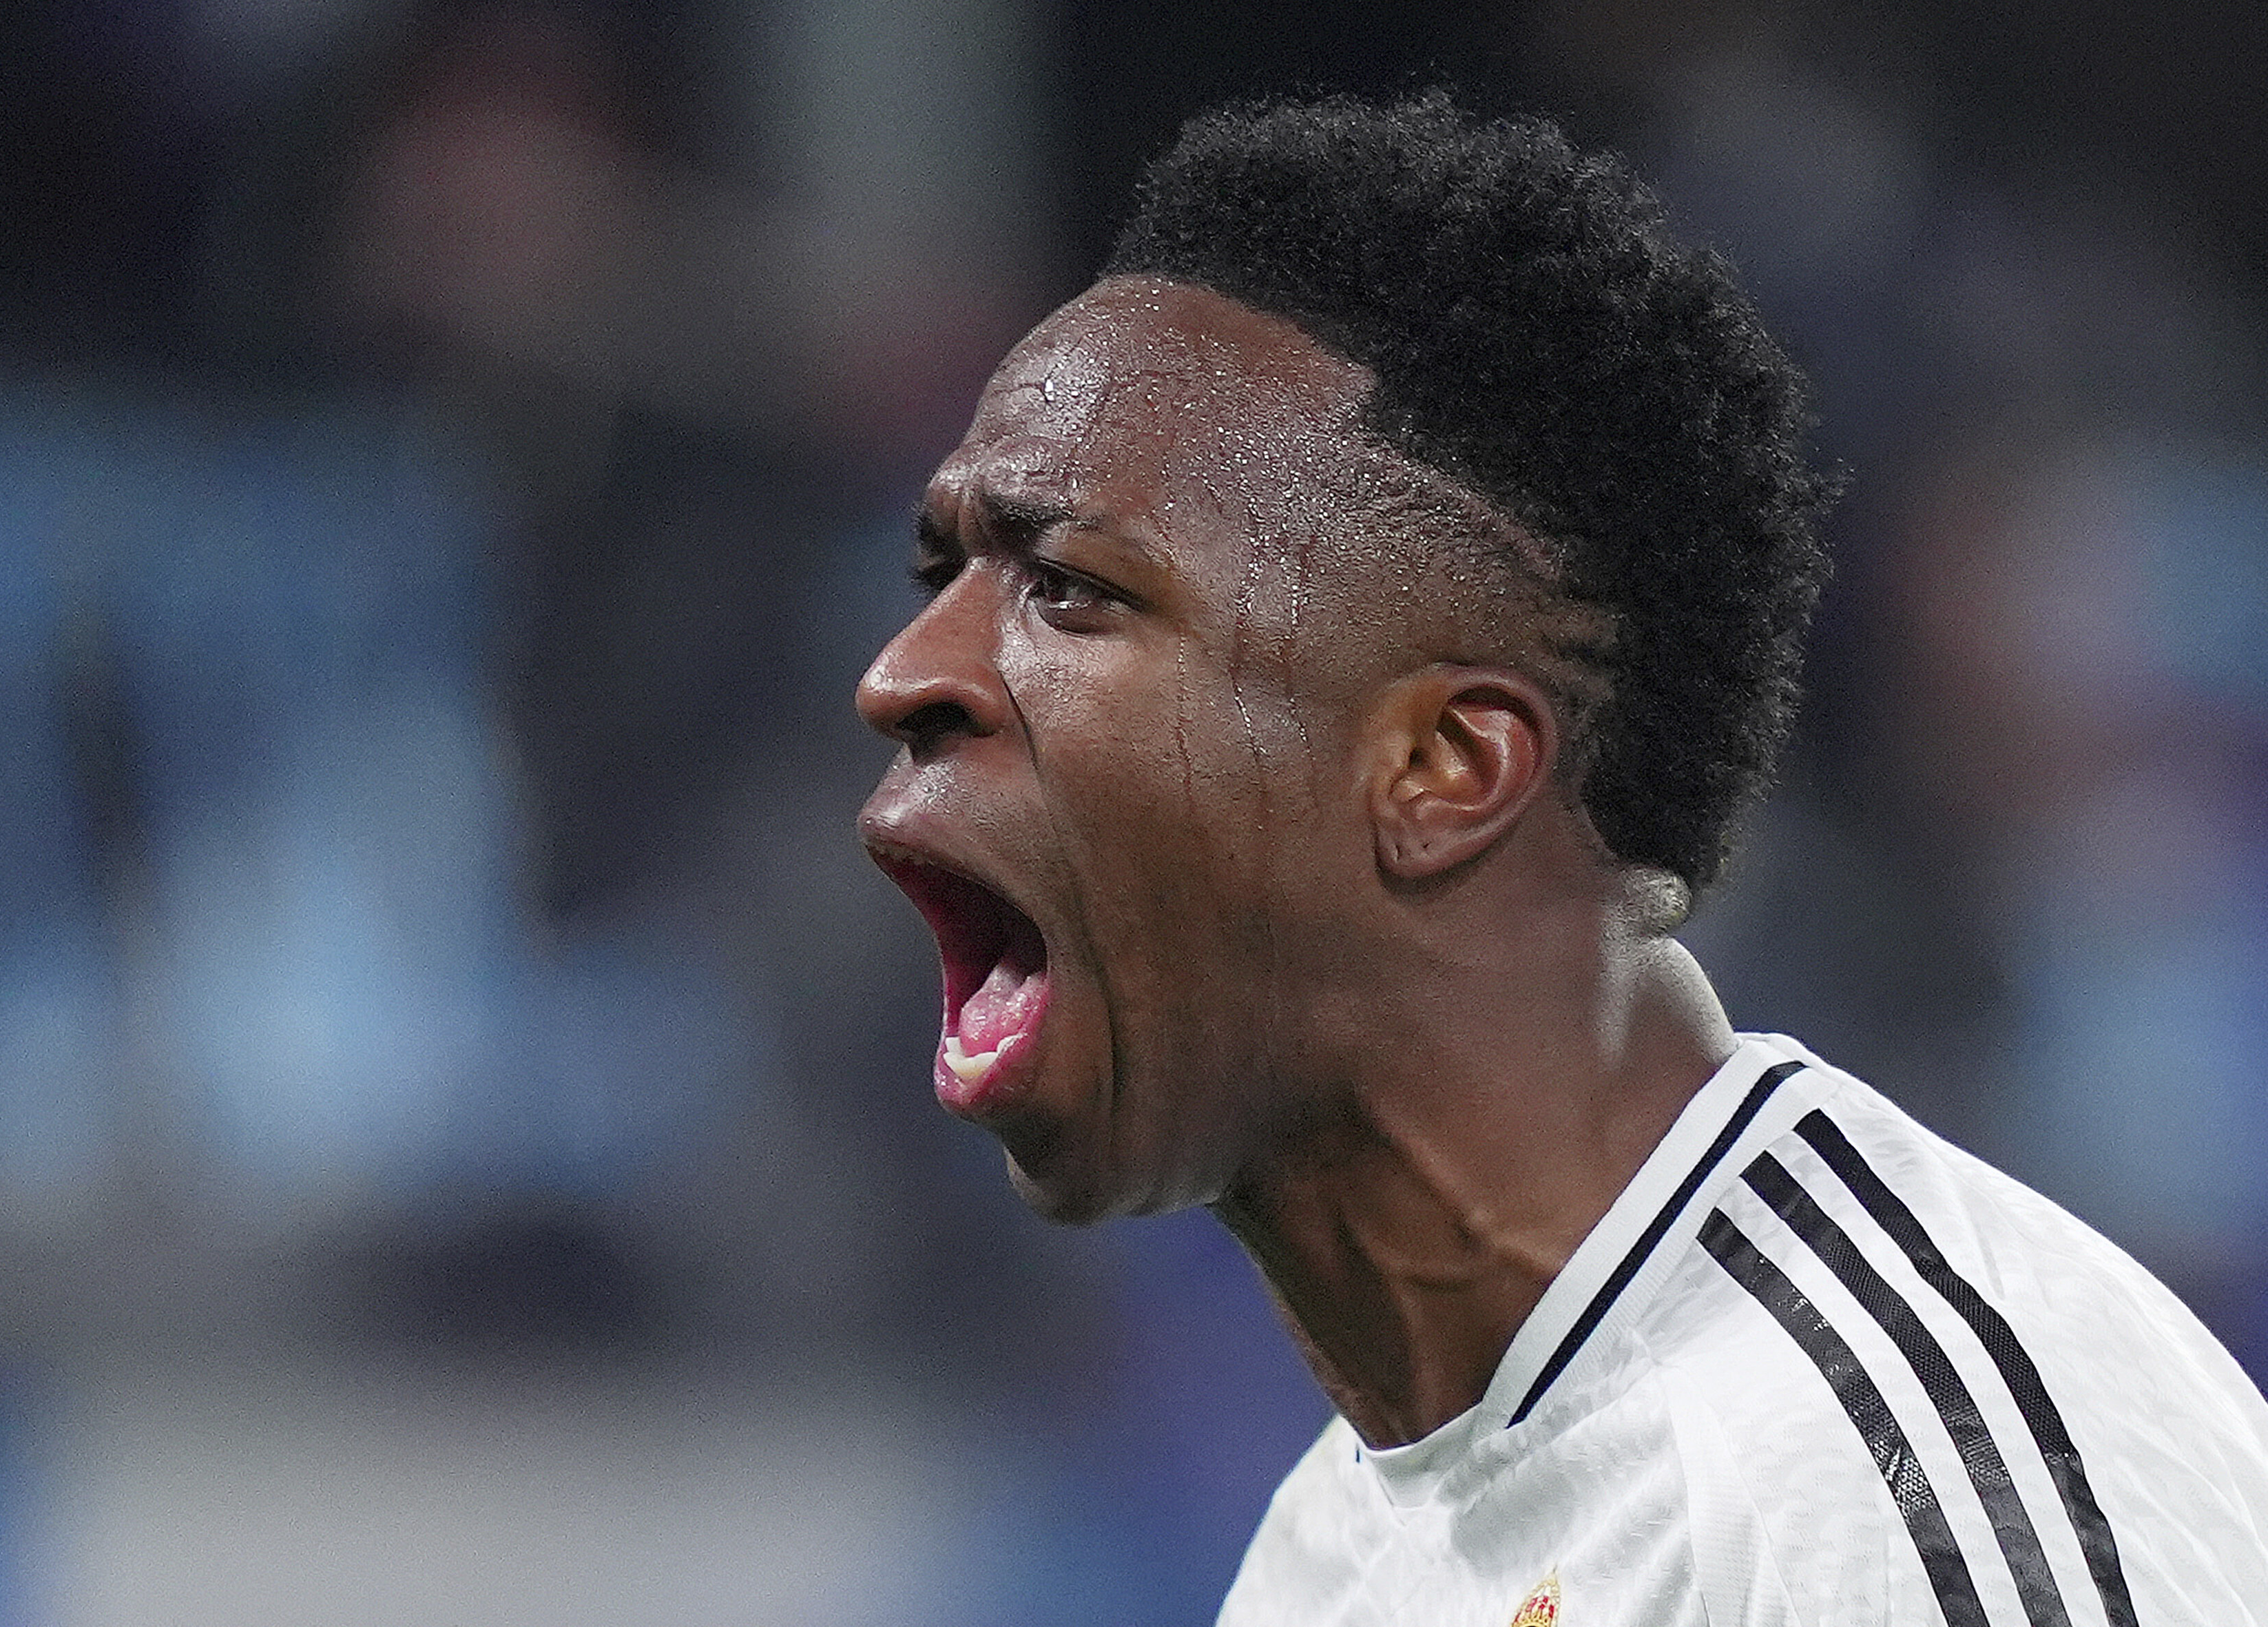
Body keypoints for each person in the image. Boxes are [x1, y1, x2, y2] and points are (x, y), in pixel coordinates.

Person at [853, 91, 2268, 1624]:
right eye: (947, 571)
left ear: (1441, 770)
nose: (903, 671)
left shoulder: (1877, 1486)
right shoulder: (1334, 1543)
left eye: (1066, 588)